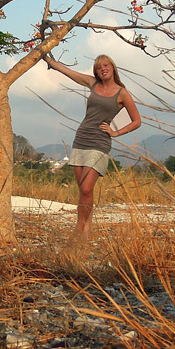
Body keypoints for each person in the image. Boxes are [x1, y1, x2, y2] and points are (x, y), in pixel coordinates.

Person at [43, 53, 141, 240]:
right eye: (98, 67)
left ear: (112, 68)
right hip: (81, 139)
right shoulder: (92, 84)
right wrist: (48, 60)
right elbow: (68, 72)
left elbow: (137, 121)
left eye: (105, 65)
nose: (102, 69)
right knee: (83, 190)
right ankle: (86, 229)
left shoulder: (122, 93)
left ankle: (80, 229)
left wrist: (116, 132)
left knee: (87, 188)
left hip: (99, 143)